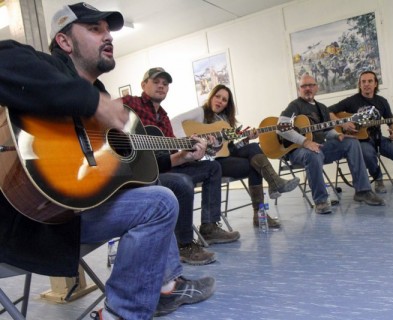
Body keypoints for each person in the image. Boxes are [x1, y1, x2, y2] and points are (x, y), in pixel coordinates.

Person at [0, 3, 214, 319]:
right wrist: (92, 102)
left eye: (108, 30)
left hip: (77, 207)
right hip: (42, 218)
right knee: (161, 202)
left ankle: (166, 286)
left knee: (157, 190)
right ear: (65, 42)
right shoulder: (47, 69)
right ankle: (121, 313)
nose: (107, 36)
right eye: (95, 29)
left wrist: (177, 158)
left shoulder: (99, 91)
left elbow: (116, 167)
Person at [122, 68, 241, 245]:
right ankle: (184, 245)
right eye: (156, 82)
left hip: (160, 168)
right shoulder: (129, 103)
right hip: (135, 175)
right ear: (143, 84)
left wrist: (188, 156)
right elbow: (98, 112)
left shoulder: (163, 117)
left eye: (165, 84)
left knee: (213, 167)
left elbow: (170, 157)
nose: (161, 86)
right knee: (182, 182)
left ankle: (209, 228)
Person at [171, 84, 300, 228]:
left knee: (252, 147)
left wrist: (245, 140)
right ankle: (267, 198)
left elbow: (228, 149)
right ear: (211, 97)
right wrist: (189, 143)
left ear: (228, 104)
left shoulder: (225, 121)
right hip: (209, 163)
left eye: (224, 100)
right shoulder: (201, 112)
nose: (220, 101)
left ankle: (272, 187)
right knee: (254, 165)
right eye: (217, 97)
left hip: (224, 157)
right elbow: (173, 122)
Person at [277, 74, 385, 214]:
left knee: (351, 142)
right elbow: (281, 127)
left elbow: (327, 131)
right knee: (313, 153)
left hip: (320, 147)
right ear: (299, 89)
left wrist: (338, 135)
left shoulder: (321, 107)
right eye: (304, 86)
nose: (308, 88)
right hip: (298, 151)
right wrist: (305, 141)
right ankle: (321, 201)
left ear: (317, 88)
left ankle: (362, 191)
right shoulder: (294, 106)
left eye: (311, 85)